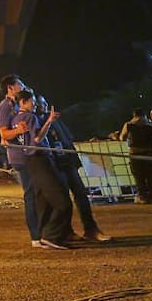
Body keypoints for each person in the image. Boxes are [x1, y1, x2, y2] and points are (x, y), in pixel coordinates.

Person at [35, 94, 109, 241]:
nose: (43, 105)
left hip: (67, 162)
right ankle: (66, 231)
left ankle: (91, 228)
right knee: (62, 200)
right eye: (39, 103)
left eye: (45, 102)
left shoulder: (55, 121)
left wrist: (74, 160)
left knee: (81, 194)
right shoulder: (36, 122)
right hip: (54, 165)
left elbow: (67, 139)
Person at [12, 90, 73, 249]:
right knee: (62, 200)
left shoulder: (15, 119)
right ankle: (52, 235)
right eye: (32, 101)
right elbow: (38, 139)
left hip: (29, 161)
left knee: (42, 200)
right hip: (40, 159)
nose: (35, 104)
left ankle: (43, 235)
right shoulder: (30, 117)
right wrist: (49, 121)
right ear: (24, 101)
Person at [0, 74, 41, 246]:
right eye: (20, 84)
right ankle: (35, 236)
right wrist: (17, 131)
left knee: (39, 193)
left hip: (30, 154)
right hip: (20, 157)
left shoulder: (21, 103)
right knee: (31, 194)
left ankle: (43, 232)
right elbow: (3, 133)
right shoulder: (4, 107)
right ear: (10, 87)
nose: (23, 86)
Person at [118, 108, 152, 204]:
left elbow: (122, 137)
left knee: (139, 177)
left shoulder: (129, 125)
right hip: (150, 153)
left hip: (135, 153)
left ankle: (143, 197)